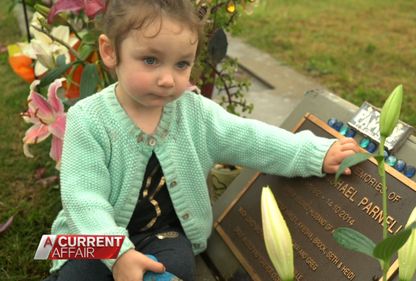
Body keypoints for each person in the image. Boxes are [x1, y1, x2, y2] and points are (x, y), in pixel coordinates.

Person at [43, 0, 359, 280]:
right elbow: (83, 198)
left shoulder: (195, 114)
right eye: (151, 60)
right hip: (93, 235)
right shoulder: (89, 119)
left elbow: (251, 138)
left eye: (182, 64)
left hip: (161, 233)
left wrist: (312, 153)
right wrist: (119, 254)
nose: (168, 79)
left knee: (178, 267)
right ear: (110, 51)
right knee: (78, 272)